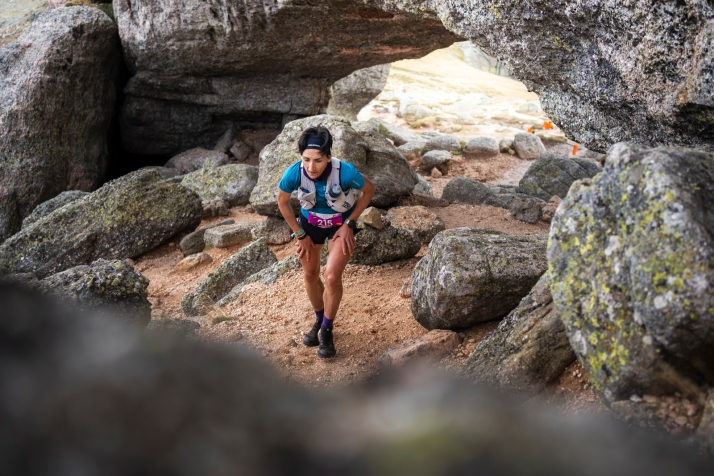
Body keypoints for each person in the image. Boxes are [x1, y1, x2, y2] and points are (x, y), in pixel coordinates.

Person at [276, 125, 375, 358]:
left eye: (318, 160)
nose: (311, 167)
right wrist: (299, 234)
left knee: (331, 276)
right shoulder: (294, 173)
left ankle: (327, 330)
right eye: (306, 159)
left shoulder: (346, 172)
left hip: (339, 227)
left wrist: (350, 223)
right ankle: (319, 322)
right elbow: (282, 202)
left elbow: (369, 191)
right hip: (309, 227)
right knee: (310, 274)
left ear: (328, 157)